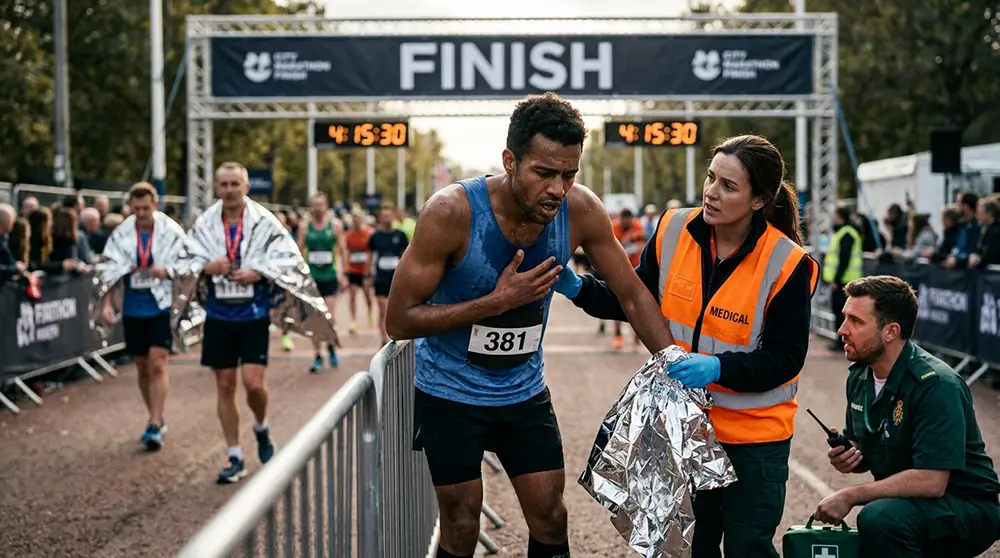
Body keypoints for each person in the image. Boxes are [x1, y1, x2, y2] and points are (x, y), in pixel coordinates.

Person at [385, 92, 675, 558]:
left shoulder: (580, 210)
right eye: (543, 173)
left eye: (569, 174)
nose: (557, 189)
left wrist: (673, 363)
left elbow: (632, 292)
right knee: (460, 524)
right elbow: (398, 321)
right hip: (450, 394)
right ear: (510, 161)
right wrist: (496, 302)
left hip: (522, 393)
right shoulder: (451, 213)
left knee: (551, 515)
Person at [555, 134, 819, 557]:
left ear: (759, 201)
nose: (711, 192)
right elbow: (637, 301)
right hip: (686, 428)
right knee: (688, 548)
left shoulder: (787, 263)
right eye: (711, 177)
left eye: (729, 186)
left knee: (748, 548)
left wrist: (716, 368)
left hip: (754, 440)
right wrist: (578, 288)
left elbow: (785, 360)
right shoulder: (674, 228)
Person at [817, 275, 1000, 557]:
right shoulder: (859, 376)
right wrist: (852, 456)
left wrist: (851, 495)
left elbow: (932, 480)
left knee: (880, 519)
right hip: (911, 503)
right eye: (844, 318)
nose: (842, 329)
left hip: (966, 505)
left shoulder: (935, 384)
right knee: (881, 521)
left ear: (890, 331)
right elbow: (870, 444)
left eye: (856, 321)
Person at [189, 161, 278, 484]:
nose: (229, 190)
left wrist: (259, 272)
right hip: (218, 315)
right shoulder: (204, 224)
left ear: (246, 187)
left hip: (254, 314)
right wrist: (207, 266)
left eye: (234, 184)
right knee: (225, 385)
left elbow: (283, 258)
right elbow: (187, 259)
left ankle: (261, 426)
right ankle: (235, 456)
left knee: (254, 384)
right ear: (217, 188)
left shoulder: (264, 222)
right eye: (223, 184)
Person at [99, 182, 188, 450]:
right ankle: (155, 415)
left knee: (158, 362)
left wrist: (168, 270)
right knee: (141, 366)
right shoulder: (122, 233)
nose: (141, 214)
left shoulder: (171, 231)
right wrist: (106, 302)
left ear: (156, 205)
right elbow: (109, 268)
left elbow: (187, 262)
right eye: (136, 209)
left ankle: (154, 421)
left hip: (160, 304)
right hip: (132, 306)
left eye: (146, 208)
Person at [297, 193, 346, 371]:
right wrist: (299, 274)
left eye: (321, 205)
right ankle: (318, 355)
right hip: (312, 278)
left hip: (330, 277)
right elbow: (299, 251)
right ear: (310, 207)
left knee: (329, 316)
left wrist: (343, 273)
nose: (318, 209)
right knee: (314, 318)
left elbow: (342, 250)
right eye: (314, 205)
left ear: (326, 206)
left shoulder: (335, 225)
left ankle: (331, 346)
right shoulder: (304, 226)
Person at [367, 202, 408, 345]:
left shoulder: (400, 235)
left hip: (396, 278)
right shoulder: (375, 237)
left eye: (389, 216)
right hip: (381, 277)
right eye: (384, 216)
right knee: (382, 308)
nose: (387, 219)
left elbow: (405, 257)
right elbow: (370, 257)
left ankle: (395, 334)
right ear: (380, 218)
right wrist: (367, 276)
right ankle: (384, 338)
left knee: (396, 308)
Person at [824, 206, 862, 351]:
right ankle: (840, 341)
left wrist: (836, 278)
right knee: (840, 311)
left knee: (842, 312)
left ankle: (842, 342)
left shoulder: (847, 233)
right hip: (844, 280)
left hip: (845, 281)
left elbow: (844, 258)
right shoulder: (844, 233)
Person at [610, 207, 646, 350]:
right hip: (619, 269)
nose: (627, 223)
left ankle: (637, 334)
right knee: (618, 303)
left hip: (636, 268)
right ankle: (617, 335)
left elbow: (643, 240)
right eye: (625, 220)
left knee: (637, 303)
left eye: (629, 220)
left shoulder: (637, 225)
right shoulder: (613, 226)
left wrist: (633, 239)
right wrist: (622, 241)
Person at [343, 210, 374, 333]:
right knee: (352, 295)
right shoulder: (348, 234)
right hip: (353, 269)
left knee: (367, 294)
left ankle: (370, 313)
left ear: (362, 218)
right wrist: (345, 267)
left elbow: (371, 251)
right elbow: (346, 251)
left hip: (365, 270)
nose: (356, 219)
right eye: (354, 217)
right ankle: (353, 321)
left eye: (358, 217)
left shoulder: (369, 233)